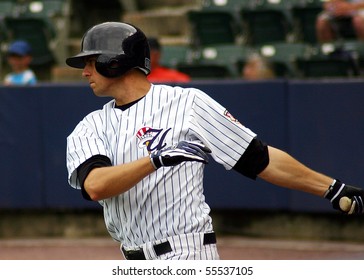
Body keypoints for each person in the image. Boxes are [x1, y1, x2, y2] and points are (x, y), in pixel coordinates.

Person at [65, 22, 364, 260]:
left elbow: (259, 159)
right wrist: (155, 160)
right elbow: (95, 186)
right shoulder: (90, 126)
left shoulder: (187, 103)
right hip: (132, 260)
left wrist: (332, 189)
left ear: (114, 62)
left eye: (91, 61)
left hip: (188, 254)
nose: (85, 72)